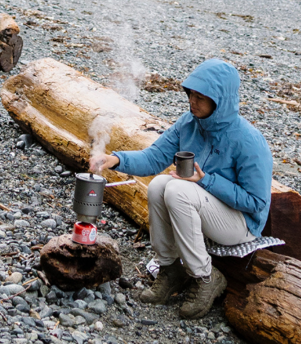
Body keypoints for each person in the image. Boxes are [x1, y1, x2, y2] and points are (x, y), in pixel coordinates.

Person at [89, 58, 272, 319]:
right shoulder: (189, 123)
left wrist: (206, 180)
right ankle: (171, 268)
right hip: (204, 207)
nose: (192, 102)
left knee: (177, 189)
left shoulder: (249, 141)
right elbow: (154, 157)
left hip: (241, 225)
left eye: (201, 97)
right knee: (160, 184)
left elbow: (256, 203)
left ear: (220, 101)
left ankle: (205, 277)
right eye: (191, 94)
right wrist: (115, 160)